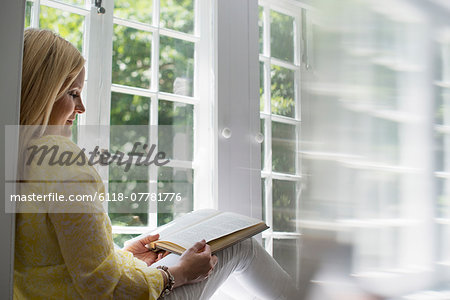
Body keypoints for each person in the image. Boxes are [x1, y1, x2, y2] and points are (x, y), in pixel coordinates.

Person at [14, 28, 299, 300]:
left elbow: (58, 262)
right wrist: (177, 273)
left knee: (207, 217)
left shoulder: (18, 156)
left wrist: (127, 257)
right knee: (240, 242)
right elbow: (105, 290)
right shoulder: (63, 163)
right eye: (73, 93)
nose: (82, 108)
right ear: (43, 91)